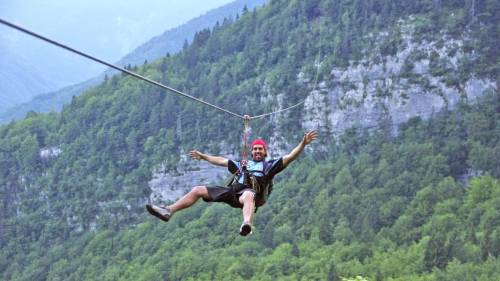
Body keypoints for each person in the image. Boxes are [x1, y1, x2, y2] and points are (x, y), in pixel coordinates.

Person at [146, 128, 318, 236]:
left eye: (260, 149)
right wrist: (204, 157)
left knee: (249, 194)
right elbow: (221, 161)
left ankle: (247, 224)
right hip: (234, 192)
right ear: (252, 152)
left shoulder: (269, 166)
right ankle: (168, 210)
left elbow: (290, 157)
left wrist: (303, 144)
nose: (258, 151)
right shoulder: (243, 164)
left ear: (265, 152)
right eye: (255, 149)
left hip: (253, 196)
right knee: (198, 190)